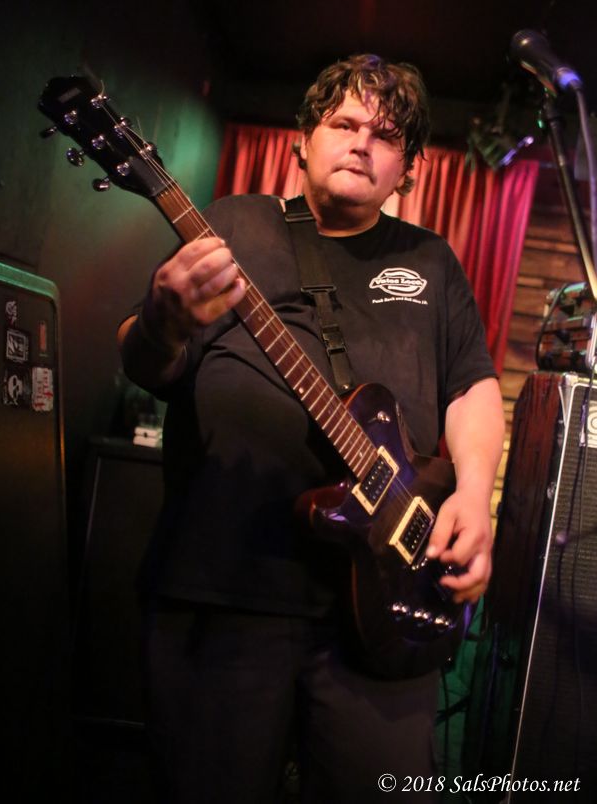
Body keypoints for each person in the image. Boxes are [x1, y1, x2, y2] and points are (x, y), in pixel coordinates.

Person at [118, 53, 505, 803]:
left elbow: (472, 387)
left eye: (385, 135)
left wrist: (474, 496)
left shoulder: (431, 262)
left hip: (387, 605)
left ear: (408, 169)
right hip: (226, 593)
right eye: (344, 123)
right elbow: (145, 362)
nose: (362, 142)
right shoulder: (230, 223)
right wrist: (164, 320)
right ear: (303, 138)